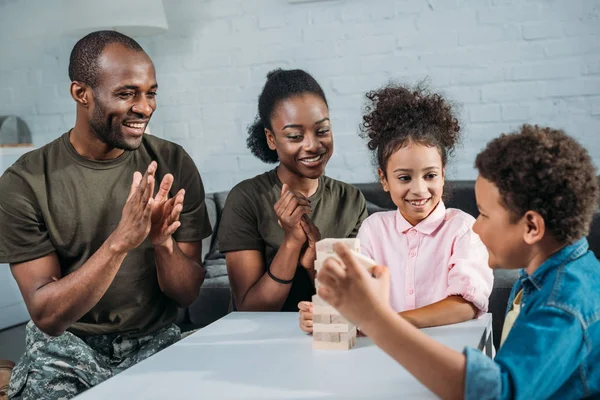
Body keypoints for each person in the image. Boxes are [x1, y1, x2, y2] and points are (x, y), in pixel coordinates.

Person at [0, 30, 212, 400]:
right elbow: (48, 316)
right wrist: (120, 242)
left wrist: (162, 243)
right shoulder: (25, 182)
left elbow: (187, 293)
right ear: (81, 94)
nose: (145, 107)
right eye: (127, 93)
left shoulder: (173, 164)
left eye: (151, 93)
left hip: (154, 340)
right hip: (65, 348)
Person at [317, 125, 600, 399]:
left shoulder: (563, 305)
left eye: (484, 214)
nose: (476, 227)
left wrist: (376, 321)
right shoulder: (546, 277)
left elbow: (496, 392)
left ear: (531, 228)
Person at [299, 83, 493, 332]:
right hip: (384, 351)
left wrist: (387, 323)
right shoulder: (374, 228)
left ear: (443, 174)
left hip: (447, 351)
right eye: (404, 178)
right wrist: (325, 316)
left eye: (430, 175)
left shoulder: (463, 228)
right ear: (384, 179)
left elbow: (466, 304)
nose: (420, 189)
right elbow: (357, 296)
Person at [218, 68, 367, 312]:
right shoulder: (245, 199)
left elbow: (354, 302)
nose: (313, 145)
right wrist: (291, 243)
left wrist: (313, 263)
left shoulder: (350, 200)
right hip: (262, 338)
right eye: (295, 136)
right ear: (271, 138)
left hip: (328, 333)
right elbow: (250, 310)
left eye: (322, 131)